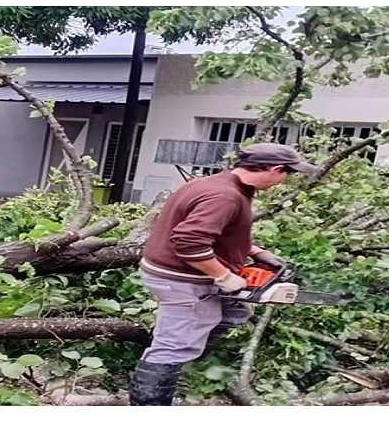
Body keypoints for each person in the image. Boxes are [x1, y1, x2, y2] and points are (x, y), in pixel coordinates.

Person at [128, 142, 317, 406]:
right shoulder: (225, 196)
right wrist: (224, 276)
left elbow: (215, 230)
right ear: (275, 170)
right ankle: (149, 402)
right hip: (181, 278)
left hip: (179, 272)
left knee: (235, 312)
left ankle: (179, 351)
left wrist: (255, 251)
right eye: (288, 174)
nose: (284, 181)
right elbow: (189, 241)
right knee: (176, 344)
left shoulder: (218, 184)